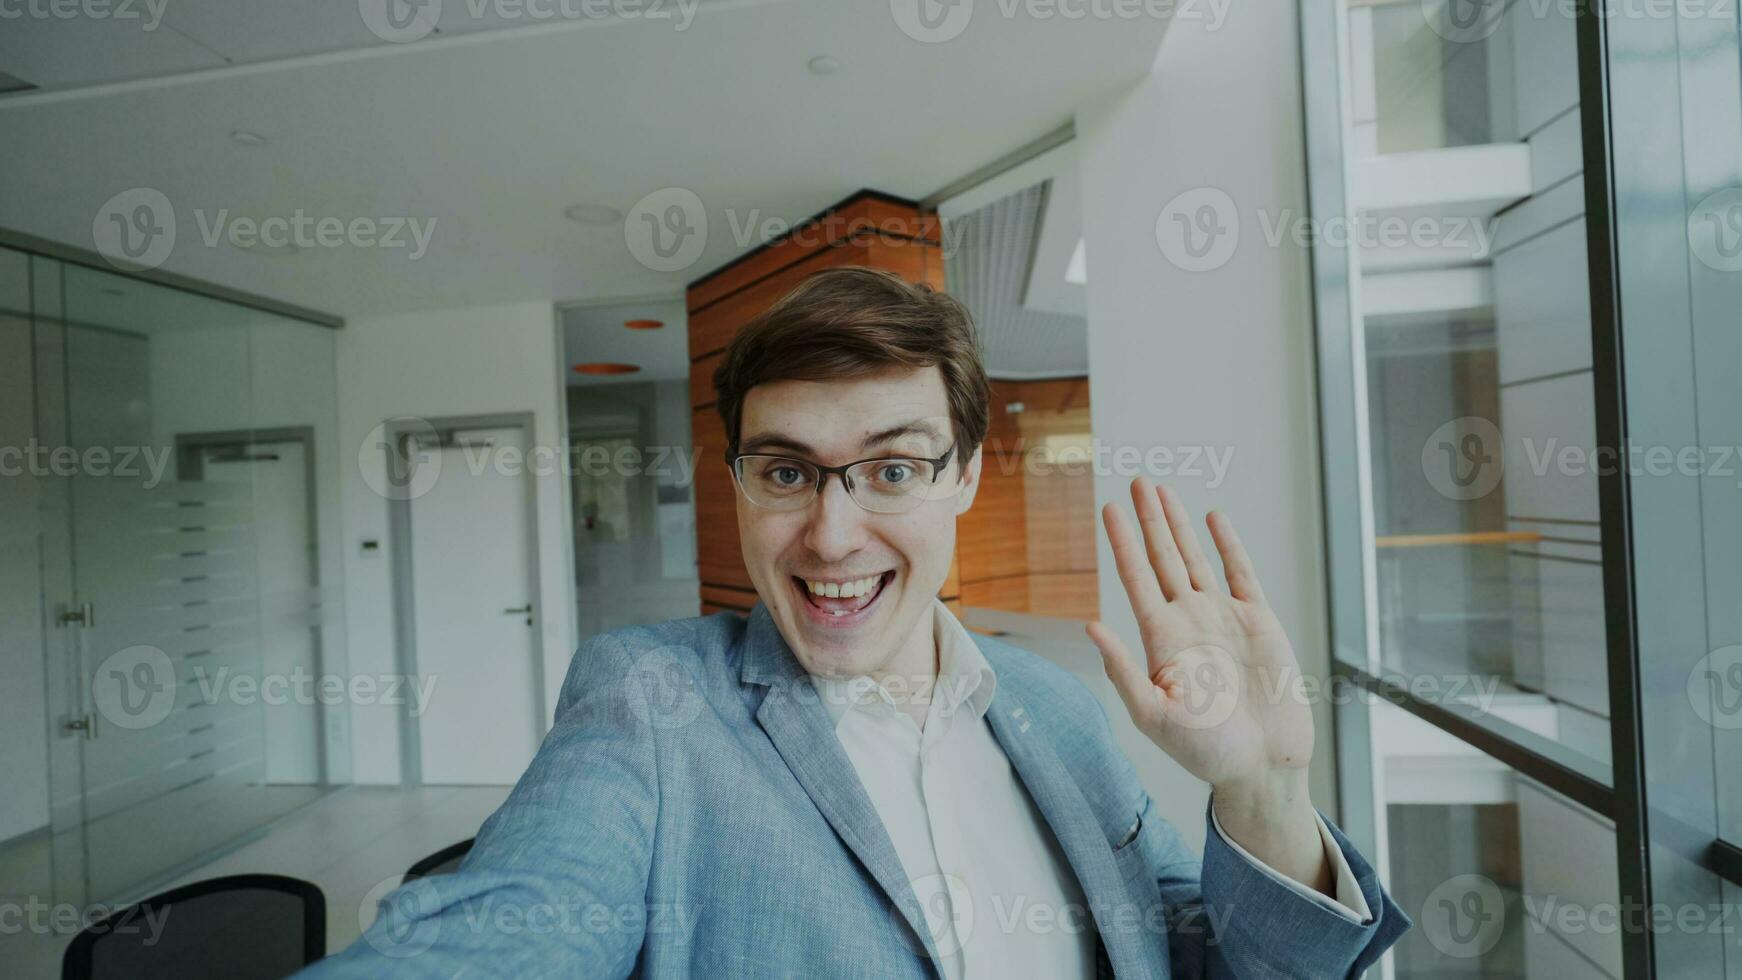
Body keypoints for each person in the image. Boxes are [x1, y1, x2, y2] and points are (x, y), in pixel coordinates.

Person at [304, 267, 1407, 978]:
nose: (830, 536)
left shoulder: (1056, 709)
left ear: (965, 474)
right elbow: (505, 934)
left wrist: (1259, 790)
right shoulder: (646, 700)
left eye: (891, 467)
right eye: (786, 469)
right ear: (737, 476)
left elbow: (1211, 960)